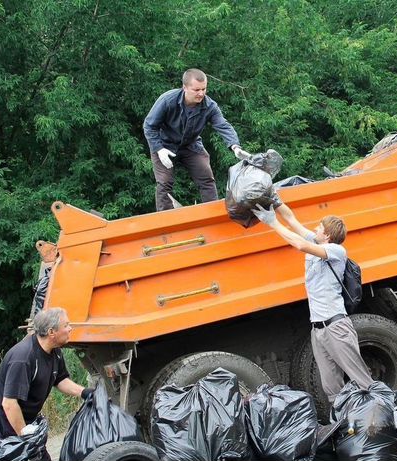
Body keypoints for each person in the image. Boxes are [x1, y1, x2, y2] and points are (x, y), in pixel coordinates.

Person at [252, 203, 374, 401]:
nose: (314, 229)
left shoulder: (336, 251)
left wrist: (272, 222)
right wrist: (275, 201)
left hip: (336, 327)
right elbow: (292, 221)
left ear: (327, 235)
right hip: (318, 330)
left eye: (319, 227)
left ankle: (382, 417)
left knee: (361, 380)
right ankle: (345, 421)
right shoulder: (318, 242)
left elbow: (299, 244)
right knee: (331, 387)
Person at [0, 308, 92, 459]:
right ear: (51, 332)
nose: (70, 328)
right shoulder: (23, 358)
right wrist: (27, 438)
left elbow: (60, 380)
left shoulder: (54, 351)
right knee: (13, 456)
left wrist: (85, 392)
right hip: (3, 415)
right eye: (66, 325)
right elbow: (9, 403)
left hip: (25, 414)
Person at [144, 68, 250, 211]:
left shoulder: (209, 106)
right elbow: (149, 126)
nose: (201, 93)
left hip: (191, 145)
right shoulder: (167, 100)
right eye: (196, 90)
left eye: (204, 89)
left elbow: (223, 125)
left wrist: (235, 146)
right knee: (164, 182)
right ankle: (164, 220)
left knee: (206, 177)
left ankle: (212, 214)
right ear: (185, 88)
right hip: (164, 145)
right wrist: (158, 149)